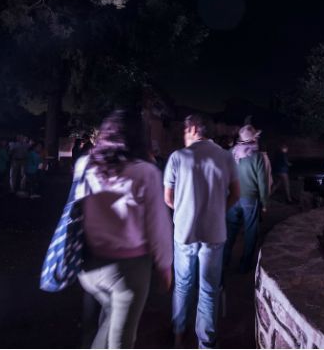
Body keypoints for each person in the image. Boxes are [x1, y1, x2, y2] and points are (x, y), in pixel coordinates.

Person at [73, 110, 173, 349]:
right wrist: (165, 265)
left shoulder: (84, 165)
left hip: (89, 264)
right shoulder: (145, 172)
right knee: (122, 340)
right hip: (128, 270)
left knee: (110, 317)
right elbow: (157, 225)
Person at [163, 114, 240, 349]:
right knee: (208, 289)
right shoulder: (226, 157)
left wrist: (186, 209)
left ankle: (178, 332)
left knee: (183, 285)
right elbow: (236, 194)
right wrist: (217, 210)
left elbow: (168, 198)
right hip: (214, 232)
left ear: (194, 129)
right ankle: (205, 342)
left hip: (185, 232)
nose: (183, 136)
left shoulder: (178, 157)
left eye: (184, 131)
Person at [225, 125, 270, 277]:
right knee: (251, 231)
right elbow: (262, 182)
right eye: (255, 136)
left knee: (230, 231)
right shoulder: (257, 156)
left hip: (233, 197)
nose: (257, 138)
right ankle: (244, 265)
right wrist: (264, 202)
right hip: (250, 198)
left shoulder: (232, 153)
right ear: (252, 139)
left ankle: (224, 261)